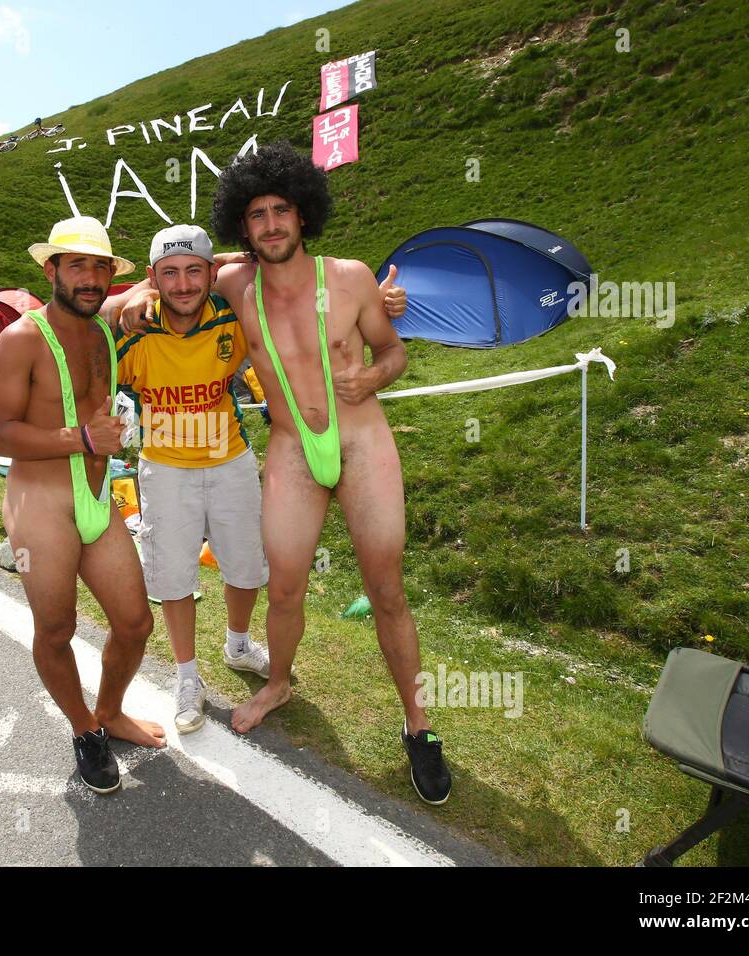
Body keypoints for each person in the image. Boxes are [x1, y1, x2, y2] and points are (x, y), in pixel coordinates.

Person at [183, 142, 450, 803]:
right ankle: (278, 683)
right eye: (256, 215)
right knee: (286, 589)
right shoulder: (232, 285)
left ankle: (419, 727)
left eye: (281, 211)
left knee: (386, 590)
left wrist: (375, 374)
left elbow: (395, 352)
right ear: (242, 228)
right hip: (291, 449)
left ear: (303, 216)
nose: (271, 225)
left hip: (362, 442)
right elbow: (176, 275)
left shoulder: (355, 278)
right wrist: (132, 301)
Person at [0, 216, 164, 794]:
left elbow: (216, 269)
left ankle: (109, 711)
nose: (90, 278)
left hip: (95, 493)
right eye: (77, 265)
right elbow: (1, 434)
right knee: (56, 628)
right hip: (40, 501)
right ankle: (83, 727)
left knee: (135, 623)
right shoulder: (20, 339)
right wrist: (81, 439)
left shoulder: (103, 329)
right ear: (51, 270)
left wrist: (148, 289)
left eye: (101, 267)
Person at [95, 225, 271, 736]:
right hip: (165, 468)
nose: (183, 284)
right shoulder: (136, 328)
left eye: (195, 270)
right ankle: (187, 676)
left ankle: (238, 645)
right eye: (168, 274)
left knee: (246, 568)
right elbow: (85, 323)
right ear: (154, 277)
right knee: (174, 578)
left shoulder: (231, 316)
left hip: (231, 459)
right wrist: (129, 295)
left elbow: (268, 265)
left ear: (212, 274)